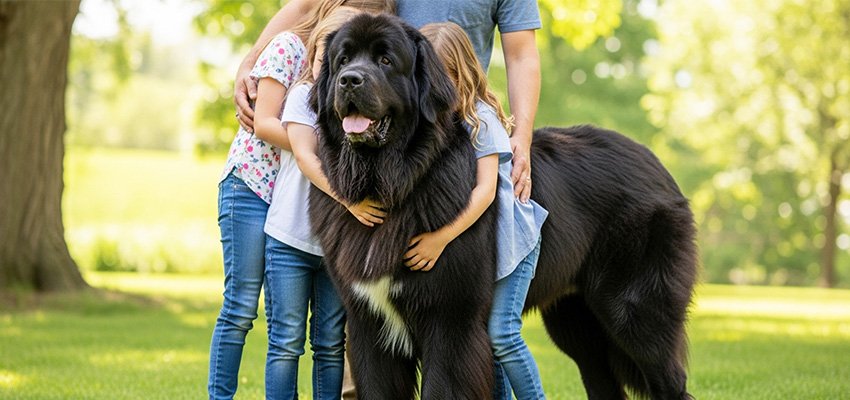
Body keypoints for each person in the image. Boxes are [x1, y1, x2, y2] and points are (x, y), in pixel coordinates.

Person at [208, 1, 392, 399]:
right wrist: (313, 134)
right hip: (254, 186)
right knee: (242, 308)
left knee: (325, 340)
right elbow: (263, 123)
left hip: (303, 211)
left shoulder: (347, 93)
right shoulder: (291, 52)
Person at [234, 0, 540, 203]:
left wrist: (522, 135)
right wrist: (250, 61)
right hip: (382, 149)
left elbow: (521, 55)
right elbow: (308, 5)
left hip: (458, 133)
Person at [409, 22, 550, 399]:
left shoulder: (480, 120)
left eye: (443, 77)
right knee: (486, 334)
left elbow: (486, 192)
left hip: (514, 241)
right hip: (488, 241)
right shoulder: (446, 118)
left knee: (503, 333)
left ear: (462, 72)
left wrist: (438, 240)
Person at [262, 5, 395, 399]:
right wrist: (351, 204)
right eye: (335, 57)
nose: (347, 70)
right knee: (286, 340)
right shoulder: (306, 96)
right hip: (288, 239)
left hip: (331, 247)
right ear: (316, 53)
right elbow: (305, 157)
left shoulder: (359, 106)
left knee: (330, 341)